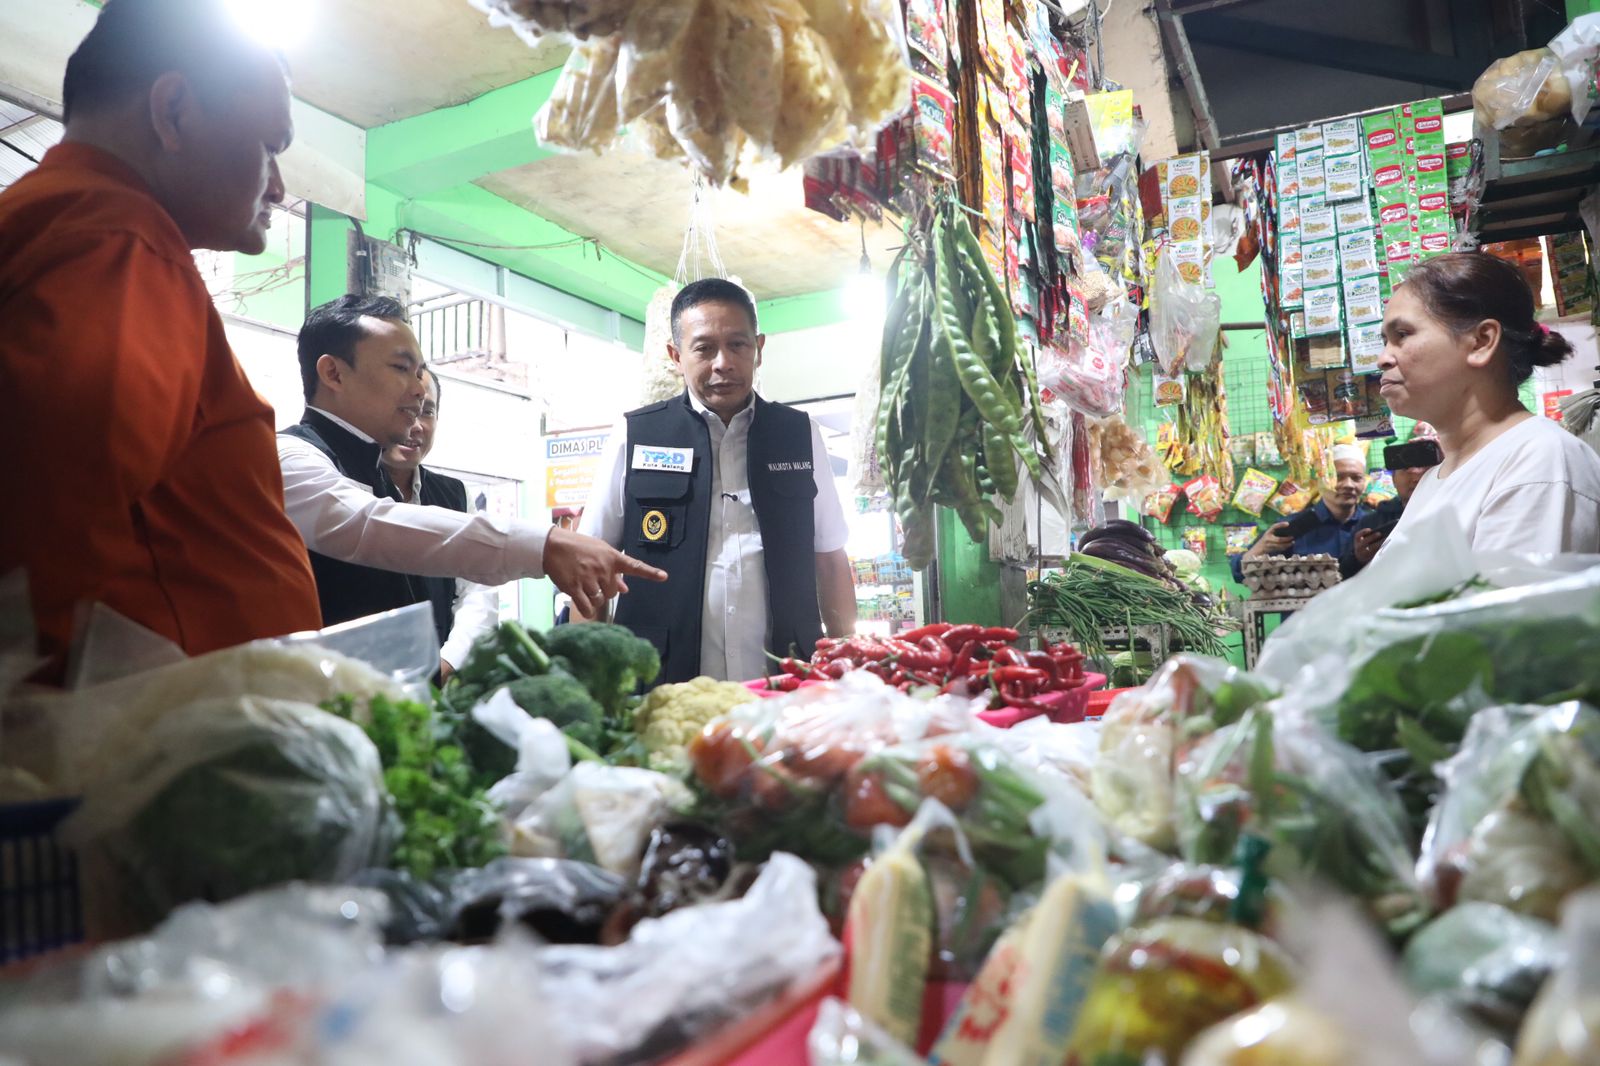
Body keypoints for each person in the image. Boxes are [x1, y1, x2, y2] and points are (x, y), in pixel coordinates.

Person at [0, 0, 323, 664]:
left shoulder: (49, 219)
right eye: (270, 146)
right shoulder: (120, 243)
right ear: (173, 111)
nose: (279, 186)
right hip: (138, 717)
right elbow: (50, 529)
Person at [278, 294, 666, 643]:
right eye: (400, 368)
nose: (418, 390)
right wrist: (544, 546)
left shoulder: (376, 469)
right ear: (333, 373)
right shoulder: (288, 458)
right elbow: (370, 525)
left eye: (418, 373)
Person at [577, 278, 857, 683]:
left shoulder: (798, 434)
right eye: (704, 348)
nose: (723, 362)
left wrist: (848, 665)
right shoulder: (635, 435)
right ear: (676, 356)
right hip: (661, 685)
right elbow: (592, 566)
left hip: (785, 680)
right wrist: (586, 682)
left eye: (738, 345)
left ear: (758, 349)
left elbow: (830, 559)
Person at [1379, 252, 1600, 554]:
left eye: (1402, 334)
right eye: (1385, 341)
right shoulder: (1437, 478)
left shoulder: (1538, 461)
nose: (1383, 359)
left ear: (1481, 342)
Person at [379, 369, 500, 680]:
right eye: (403, 409)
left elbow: (478, 589)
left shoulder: (455, 494)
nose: (416, 424)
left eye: (427, 412)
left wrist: (449, 662)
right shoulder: (350, 485)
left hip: (444, 678)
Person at [1231, 445, 1370, 584]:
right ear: (1320, 480)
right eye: (1338, 477)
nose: (1349, 484)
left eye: (1357, 478)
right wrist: (1261, 548)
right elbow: (1239, 574)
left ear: (1364, 482)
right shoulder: (1292, 527)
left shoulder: (1373, 525)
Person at [1339, 424, 1437, 578]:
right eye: (1406, 470)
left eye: (1424, 469)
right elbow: (1343, 574)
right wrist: (1358, 559)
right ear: (1393, 479)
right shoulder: (1371, 523)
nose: (1415, 477)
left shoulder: (1449, 511)